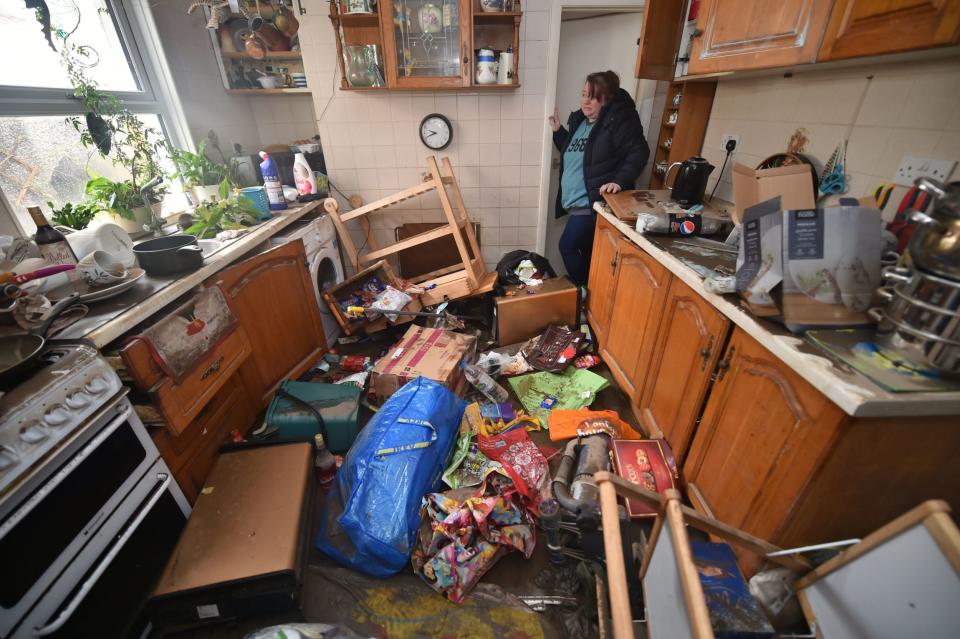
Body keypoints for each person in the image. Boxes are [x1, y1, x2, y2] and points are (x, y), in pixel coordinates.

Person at [549, 70, 649, 285]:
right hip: (574, 203)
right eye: (584, 94)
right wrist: (559, 132)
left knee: (567, 246)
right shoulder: (580, 121)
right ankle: (591, 294)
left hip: (593, 203)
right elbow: (579, 155)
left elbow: (639, 152)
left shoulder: (616, 121)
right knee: (586, 252)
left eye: (593, 96)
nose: (586, 101)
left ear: (607, 98)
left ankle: (586, 291)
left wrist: (619, 181)